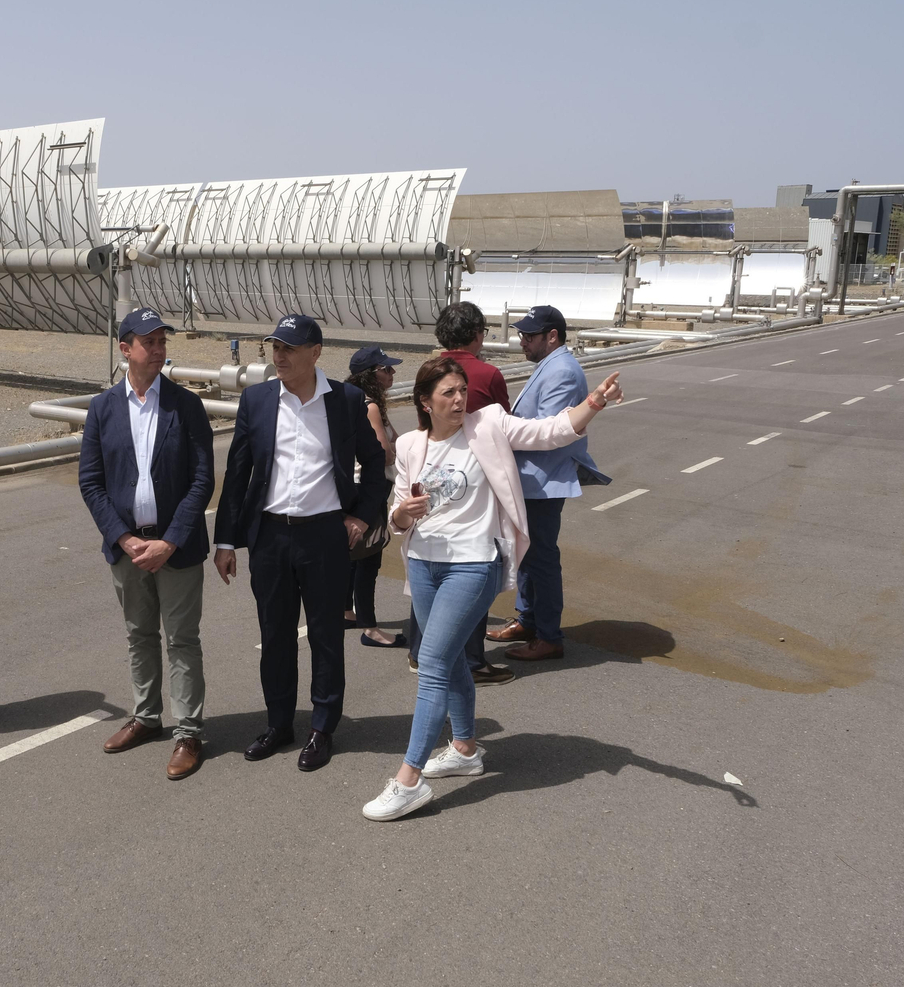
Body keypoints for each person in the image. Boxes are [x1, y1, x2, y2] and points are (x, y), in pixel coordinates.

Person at [361, 357, 625, 821]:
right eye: (448, 393)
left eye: (462, 390)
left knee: (432, 661)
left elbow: (550, 432)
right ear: (425, 401)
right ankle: (464, 749)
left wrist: (593, 403)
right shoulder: (409, 444)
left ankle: (409, 778)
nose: (460, 399)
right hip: (423, 564)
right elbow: (396, 514)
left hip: (474, 563)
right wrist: (406, 513)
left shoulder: (489, 424)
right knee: (456, 653)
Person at [213, 313, 387, 773]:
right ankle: (279, 723)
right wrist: (226, 540)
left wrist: (360, 517)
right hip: (270, 536)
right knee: (275, 636)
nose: (280, 355)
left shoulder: (346, 401)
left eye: (289, 348)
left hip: (324, 535)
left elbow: (375, 466)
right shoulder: (257, 400)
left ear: (315, 353)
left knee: (327, 637)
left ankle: (322, 728)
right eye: (275, 346)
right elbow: (237, 474)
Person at [78, 307, 216, 780]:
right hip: (127, 549)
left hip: (175, 548)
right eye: (147, 342)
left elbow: (202, 481)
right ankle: (146, 717)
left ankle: (188, 732)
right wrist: (124, 537)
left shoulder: (185, 404)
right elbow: (91, 482)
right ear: (125, 349)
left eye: (162, 341)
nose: (157, 349)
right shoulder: (103, 409)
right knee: (139, 636)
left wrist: (170, 542)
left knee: (181, 639)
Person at [486, 305, 611, 664]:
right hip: (532, 480)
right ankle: (528, 621)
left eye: (529, 336)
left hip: (543, 481)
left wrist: (499, 432)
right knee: (527, 555)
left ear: (551, 336)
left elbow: (547, 432)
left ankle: (548, 636)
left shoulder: (563, 372)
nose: (521, 341)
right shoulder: (550, 365)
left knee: (540, 558)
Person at [432, 300, 515, 685]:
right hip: (478, 484)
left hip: (436, 478)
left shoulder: (429, 372)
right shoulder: (487, 374)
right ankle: (473, 660)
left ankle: (426, 652)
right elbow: (506, 428)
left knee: (433, 569)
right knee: (478, 567)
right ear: (478, 334)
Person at [343, 345, 405, 650]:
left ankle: (345, 610)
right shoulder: (370, 407)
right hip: (370, 486)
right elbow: (382, 453)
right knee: (370, 558)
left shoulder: (347, 400)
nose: (392, 373)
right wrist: (395, 451)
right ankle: (370, 627)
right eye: (386, 369)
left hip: (351, 486)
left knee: (352, 553)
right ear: (371, 375)